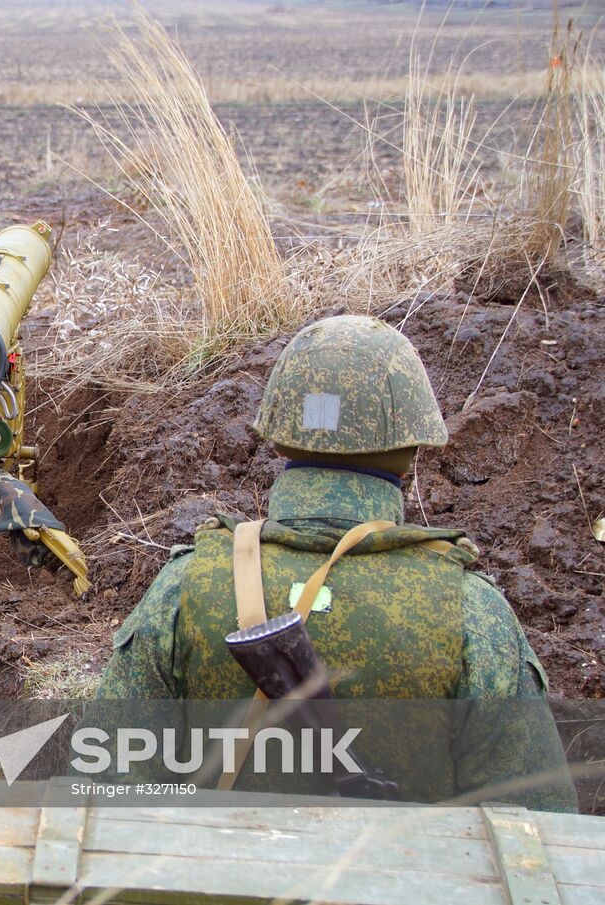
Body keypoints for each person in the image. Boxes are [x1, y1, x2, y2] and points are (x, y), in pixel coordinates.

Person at [96, 314, 576, 811]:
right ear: (413, 444)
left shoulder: (186, 587)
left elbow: (105, 793)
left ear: (279, 438)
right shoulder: (471, 614)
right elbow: (542, 837)